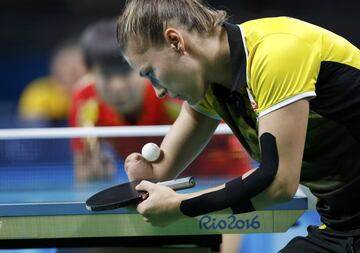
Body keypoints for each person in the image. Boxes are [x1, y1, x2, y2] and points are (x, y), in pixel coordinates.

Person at [117, 1, 360, 252]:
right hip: (342, 225)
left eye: (152, 74)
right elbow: (160, 172)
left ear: (176, 41)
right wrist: (145, 175)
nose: (158, 92)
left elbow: (278, 183)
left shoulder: (276, 52)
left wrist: (181, 206)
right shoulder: (211, 85)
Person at [69, 19, 181, 182]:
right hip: (147, 185)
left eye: (126, 71)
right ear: (90, 73)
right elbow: (83, 173)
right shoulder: (86, 98)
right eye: (106, 74)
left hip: (212, 177)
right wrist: (96, 175)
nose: (118, 86)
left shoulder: (171, 91)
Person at [18, 39, 86, 126]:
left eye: (78, 63)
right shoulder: (40, 91)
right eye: (66, 64)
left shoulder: (95, 90)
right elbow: (33, 126)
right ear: (54, 67)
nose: (72, 70)